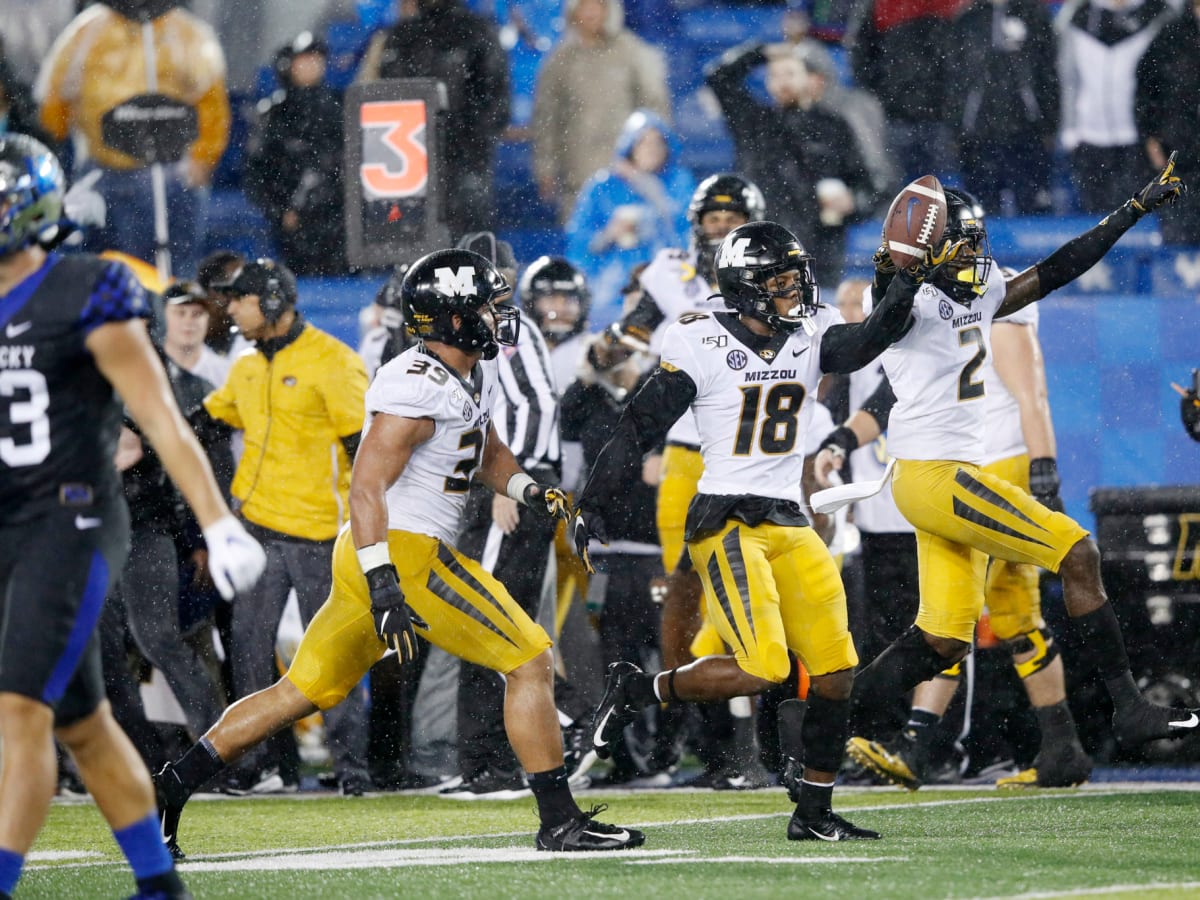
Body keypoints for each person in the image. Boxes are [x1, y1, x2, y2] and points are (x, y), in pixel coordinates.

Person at [154, 248, 645, 854]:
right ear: (454, 317)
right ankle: (560, 820)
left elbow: (484, 445)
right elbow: (366, 486)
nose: (500, 315)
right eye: (487, 307)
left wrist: (527, 488)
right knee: (531, 659)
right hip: (401, 552)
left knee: (300, 692)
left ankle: (166, 791)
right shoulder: (415, 382)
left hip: (380, 552)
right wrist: (384, 579)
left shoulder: (471, 371)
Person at [572, 219, 928, 840]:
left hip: (787, 514)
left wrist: (902, 280)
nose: (796, 294)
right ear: (747, 288)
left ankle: (813, 813)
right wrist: (592, 500)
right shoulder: (701, 341)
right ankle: (641, 688)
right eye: (782, 283)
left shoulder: (809, 333)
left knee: (836, 667)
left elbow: (873, 337)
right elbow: (638, 427)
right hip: (726, 518)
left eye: (796, 280)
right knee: (762, 665)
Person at [839, 160, 1198, 761]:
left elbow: (1060, 267)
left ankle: (821, 720)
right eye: (965, 242)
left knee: (942, 641)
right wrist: (897, 270)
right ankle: (1128, 708)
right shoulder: (910, 304)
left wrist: (1131, 211)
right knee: (1078, 551)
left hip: (939, 479)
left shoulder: (980, 294)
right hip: (937, 477)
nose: (976, 253)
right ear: (931, 249)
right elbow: (886, 311)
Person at [0, 132, 264, 900]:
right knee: (81, 722)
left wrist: (217, 522)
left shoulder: (87, 288)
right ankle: (159, 883)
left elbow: (162, 417)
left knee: (18, 705)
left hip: (68, 518)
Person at [825, 206, 1093, 788]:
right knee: (961, 615)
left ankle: (955, 744)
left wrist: (1043, 466)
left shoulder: (992, 292)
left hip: (991, 462)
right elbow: (899, 390)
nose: (969, 256)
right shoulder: (940, 300)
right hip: (962, 464)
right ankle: (1032, 745)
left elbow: (1030, 393)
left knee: (1002, 610)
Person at [201, 258, 371, 796]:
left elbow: (364, 454)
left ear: (271, 300)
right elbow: (210, 416)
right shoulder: (247, 364)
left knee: (334, 655)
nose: (230, 308)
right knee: (248, 654)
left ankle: (353, 770)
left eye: (239, 298)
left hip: (322, 533)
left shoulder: (334, 361)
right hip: (258, 528)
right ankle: (265, 767)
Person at [35, 0, 231, 275]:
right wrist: (52, 149)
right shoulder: (87, 31)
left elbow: (212, 103)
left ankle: (170, 313)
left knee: (174, 273)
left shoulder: (187, 33)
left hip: (173, 172)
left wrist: (202, 159)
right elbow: (55, 97)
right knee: (109, 271)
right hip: (104, 168)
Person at [704, 42, 872, 287]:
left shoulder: (834, 127)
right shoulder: (752, 122)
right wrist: (760, 53)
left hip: (819, 250)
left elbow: (868, 185)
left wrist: (853, 201)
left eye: (791, 73)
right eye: (775, 75)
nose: (783, 82)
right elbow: (718, 77)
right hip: (760, 247)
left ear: (809, 79)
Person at [355, 0, 510, 235]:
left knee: (467, 239)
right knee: (408, 240)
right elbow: (383, 100)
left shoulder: (477, 33)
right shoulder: (400, 36)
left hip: (463, 160)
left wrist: (466, 141)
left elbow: (496, 101)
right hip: (409, 160)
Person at [531, 0, 671, 223]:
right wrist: (545, 168)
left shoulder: (632, 52)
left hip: (628, 173)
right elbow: (546, 119)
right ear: (573, 11)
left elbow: (655, 107)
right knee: (581, 241)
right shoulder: (559, 61)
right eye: (584, 6)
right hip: (577, 172)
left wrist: (650, 157)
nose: (591, 12)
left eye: (598, 5)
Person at [565, 109, 695, 329]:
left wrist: (645, 186)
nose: (651, 150)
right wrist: (609, 234)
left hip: (670, 286)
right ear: (630, 147)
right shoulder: (602, 186)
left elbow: (688, 232)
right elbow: (578, 243)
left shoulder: (680, 183)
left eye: (657, 143)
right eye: (643, 143)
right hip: (611, 292)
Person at [244, 32, 346, 275]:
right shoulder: (273, 113)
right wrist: (281, 212)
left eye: (317, 59)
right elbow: (256, 170)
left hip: (338, 217)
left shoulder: (340, 105)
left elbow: (346, 159)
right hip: (292, 222)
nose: (312, 65)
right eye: (305, 59)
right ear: (289, 64)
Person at [1136, 0, 1200, 244]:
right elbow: (1146, 89)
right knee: (1180, 230)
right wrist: (1150, 136)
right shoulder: (1170, 35)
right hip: (1180, 148)